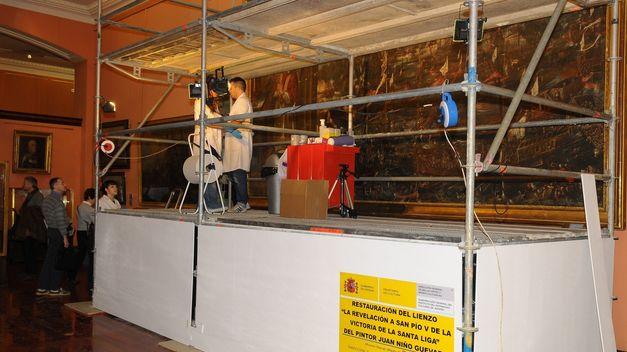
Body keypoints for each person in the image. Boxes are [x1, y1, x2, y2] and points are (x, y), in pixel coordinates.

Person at [223, 77, 253, 213]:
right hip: (235, 141)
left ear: (236, 87)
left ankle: (242, 202)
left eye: (230, 88)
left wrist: (225, 125)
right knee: (233, 172)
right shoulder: (239, 102)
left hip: (240, 141)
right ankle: (241, 201)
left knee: (238, 172)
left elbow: (237, 121)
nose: (230, 92)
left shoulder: (243, 101)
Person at [37, 177, 70, 296]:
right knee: (57, 261)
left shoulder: (47, 199)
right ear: (55, 186)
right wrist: (65, 236)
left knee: (49, 261)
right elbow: (60, 220)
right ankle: (55, 288)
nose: (65, 185)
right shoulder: (57, 201)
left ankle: (43, 287)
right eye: (62, 183)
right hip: (58, 233)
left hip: (51, 231)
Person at [194, 87, 224, 213]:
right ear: (209, 91)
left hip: (212, 143)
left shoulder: (214, 105)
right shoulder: (199, 101)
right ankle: (211, 203)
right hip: (205, 142)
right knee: (209, 174)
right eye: (216, 91)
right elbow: (206, 121)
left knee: (210, 174)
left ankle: (204, 205)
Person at [14, 176, 46, 279]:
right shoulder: (30, 195)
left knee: (30, 251)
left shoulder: (38, 195)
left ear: (31, 184)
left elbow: (39, 213)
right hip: (27, 228)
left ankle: (31, 273)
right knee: (27, 250)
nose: (24, 185)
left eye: (26, 183)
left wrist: (31, 229)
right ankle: (28, 271)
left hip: (32, 230)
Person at [75, 188, 95, 294]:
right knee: (85, 255)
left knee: (82, 254)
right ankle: (74, 276)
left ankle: (73, 275)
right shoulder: (87, 208)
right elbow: (94, 221)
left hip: (80, 231)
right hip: (85, 233)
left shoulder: (79, 206)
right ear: (90, 197)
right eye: (94, 198)